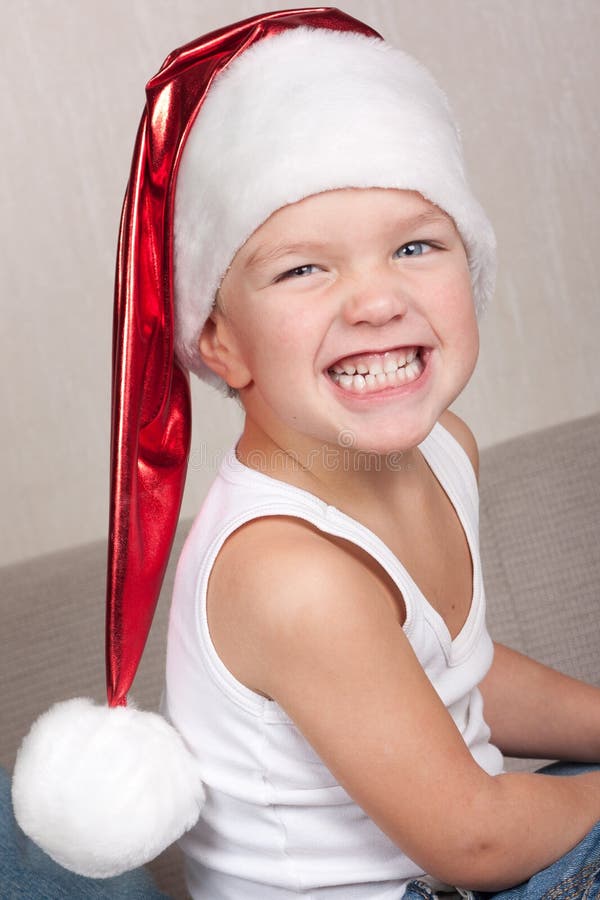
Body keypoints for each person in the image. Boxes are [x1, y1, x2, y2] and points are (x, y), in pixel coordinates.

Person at [10, 7, 600, 900]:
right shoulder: (289, 573)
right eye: (303, 268)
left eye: (415, 245)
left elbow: (453, 673)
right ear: (221, 343)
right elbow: (473, 841)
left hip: (471, 849)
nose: (376, 301)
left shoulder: (447, 450)